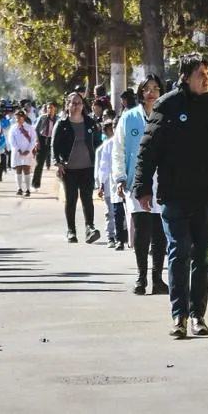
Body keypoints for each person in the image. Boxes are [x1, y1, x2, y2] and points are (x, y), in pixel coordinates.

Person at [134, 55, 208, 338]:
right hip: (175, 194)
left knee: (203, 256)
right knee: (180, 252)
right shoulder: (167, 105)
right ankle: (179, 316)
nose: (205, 78)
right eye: (199, 73)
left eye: (207, 72)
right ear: (185, 77)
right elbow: (148, 150)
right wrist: (142, 188)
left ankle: (198, 315)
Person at [114, 76, 167, 295]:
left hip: (162, 181)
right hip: (136, 181)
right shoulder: (128, 118)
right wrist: (119, 177)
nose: (152, 93)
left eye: (156, 88)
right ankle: (141, 276)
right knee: (142, 231)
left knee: (160, 233)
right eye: (147, 89)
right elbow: (119, 149)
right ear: (141, 92)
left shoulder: (166, 116)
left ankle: (157, 278)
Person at [51, 92, 102, 244]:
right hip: (69, 169)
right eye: (73, 103)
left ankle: (90, 228)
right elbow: (54, 146)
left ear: (83, 105)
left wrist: (99, 162)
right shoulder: (62, 124)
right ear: (67, 105)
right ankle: (71, 231)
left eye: (79, 102)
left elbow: (98, 143)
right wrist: (58, 163)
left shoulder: (90, 122)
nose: (76, 105)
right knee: (71, 199)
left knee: (87, 199)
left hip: (88, 168)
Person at [95, 119, 126, 249]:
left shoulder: (128, 141)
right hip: (112, 184)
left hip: (129, 183)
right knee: (113, 212)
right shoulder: (108, 145)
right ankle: (112, 237)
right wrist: (101, 183)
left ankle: (126, 237)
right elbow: (103, 166)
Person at [9, 109, 36, 197]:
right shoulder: (13, 128)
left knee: (26, 169)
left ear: (24, 117)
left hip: (27, 152)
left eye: (20, 117)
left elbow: (33, 140)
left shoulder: (29, 128)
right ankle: (19, 188)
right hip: (17, 152)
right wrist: (18, 149)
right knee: (18, 169)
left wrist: (28, 150)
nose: (18, 119)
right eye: (17, 117)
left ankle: (28, 189)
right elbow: (11, 140)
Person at [31, 101, 57, 190]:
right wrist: (37, 141)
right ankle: (35, 184)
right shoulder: (42, 118)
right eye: (48, 108)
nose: (49, 109)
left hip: (53, 140)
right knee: (39, 163)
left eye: (51, 107)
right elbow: (36, 130)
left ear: (55, 109)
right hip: (42, 139)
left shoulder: (58, 119)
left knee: (59, 162)